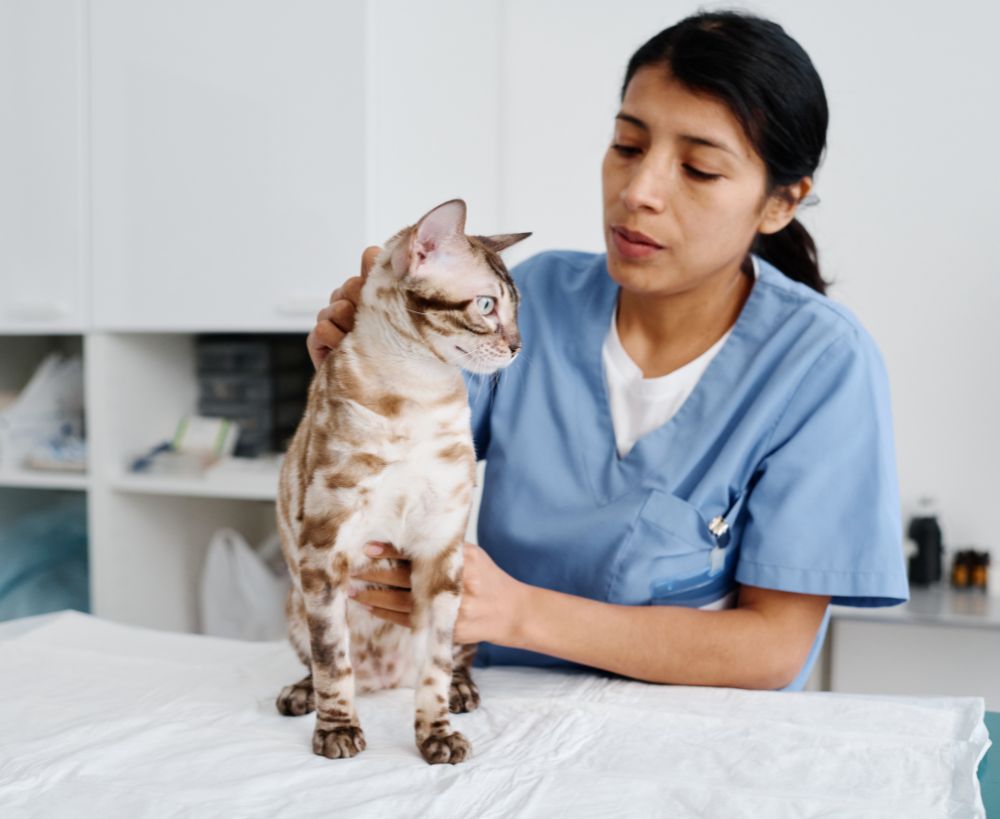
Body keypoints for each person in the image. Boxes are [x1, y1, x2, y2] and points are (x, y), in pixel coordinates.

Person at [305, 10, 909, 691]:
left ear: (780, 203)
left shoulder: (821, 364)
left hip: (694, 734)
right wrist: (361, 363)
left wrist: (518, 613)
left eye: (699, 169)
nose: (638, 192)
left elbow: (772, 648)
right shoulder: (530, 299)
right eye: (627, 145)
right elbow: (401, 449)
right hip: (504, 712)